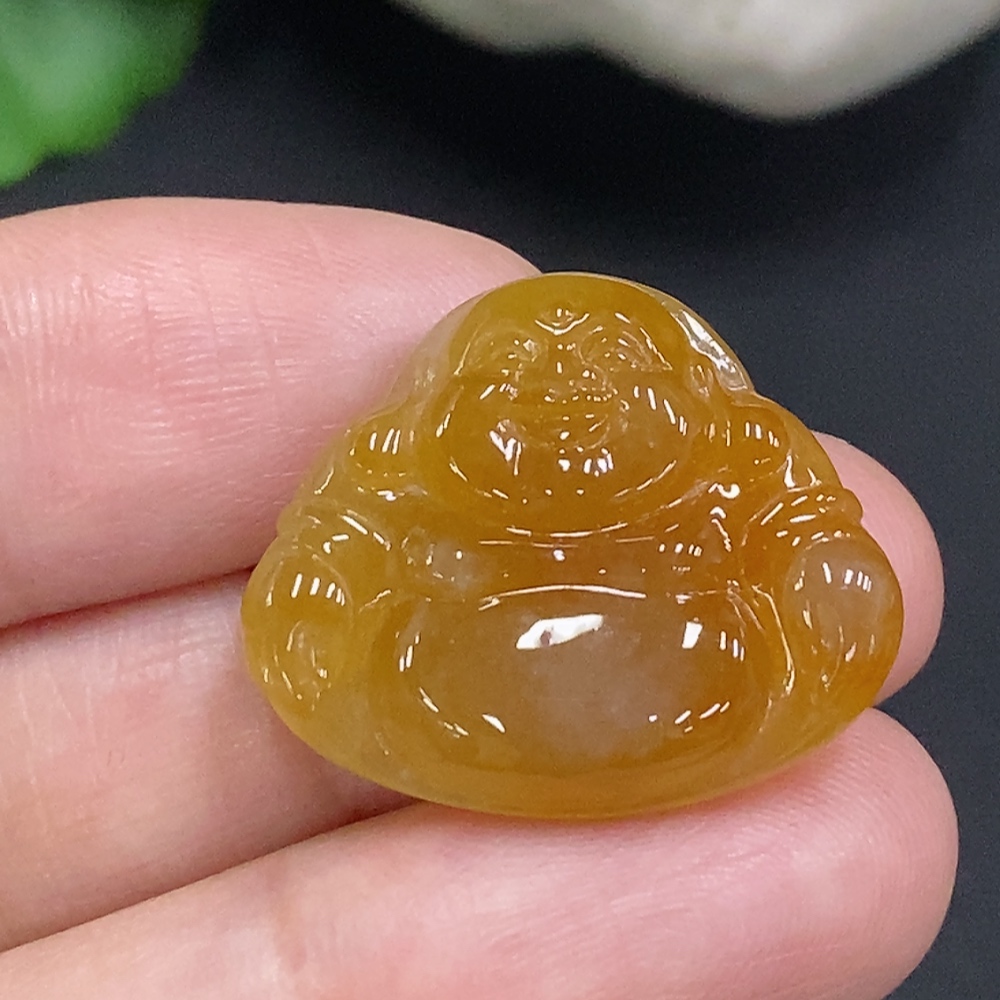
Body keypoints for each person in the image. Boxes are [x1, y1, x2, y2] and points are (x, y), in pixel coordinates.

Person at [0, 198, 955, 999]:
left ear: (692, 398)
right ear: (439, 406)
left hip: (705, 669)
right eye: (516, 368)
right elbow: (332, 550)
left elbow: (808, 536)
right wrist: (320, 602)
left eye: (609, 365)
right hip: (443, 682)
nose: (563, 385)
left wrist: (829, 581)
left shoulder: (734, 466)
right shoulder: (400, 474)